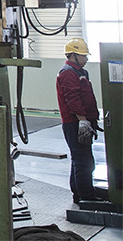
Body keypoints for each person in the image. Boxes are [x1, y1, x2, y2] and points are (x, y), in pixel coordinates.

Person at [56, 37, 100, 203]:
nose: (86, 58)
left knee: (80, 160)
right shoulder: (68, 72)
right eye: (83, 55)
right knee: (84, 162)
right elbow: (72, 98)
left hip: (83, 121)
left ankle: (79, 194)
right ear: (73, 55)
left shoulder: (81, 72)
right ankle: (86, 197)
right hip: (75, 123)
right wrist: (82, 120)